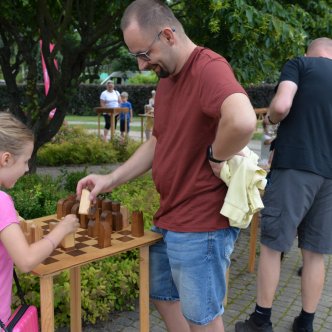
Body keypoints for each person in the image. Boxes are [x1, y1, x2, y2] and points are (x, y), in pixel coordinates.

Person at [77, 1, 256, 331]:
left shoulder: (208, 68)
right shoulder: (167, 78)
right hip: (170, 215)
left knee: (202, 317)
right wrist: (110, 179)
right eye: (137, 57)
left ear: (169, 35)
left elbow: (243, 120)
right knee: (162, 295)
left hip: (201, 222)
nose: (143, 65)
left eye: (145, 54)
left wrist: (216, 156)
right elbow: (158, 142)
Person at [235, 37, 332, 332]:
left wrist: (272, 120)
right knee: (316, 253)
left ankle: (261, 321)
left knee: (273, 245)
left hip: (295, 166)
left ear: (309, 52)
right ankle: (306, 322)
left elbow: (281, 105)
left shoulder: (299, 64)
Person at [0, 111, 80, 324]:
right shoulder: (1, 202)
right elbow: (26, 261)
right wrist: (61, 229)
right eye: (26, 161)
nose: (27, 169)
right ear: (6, 159)